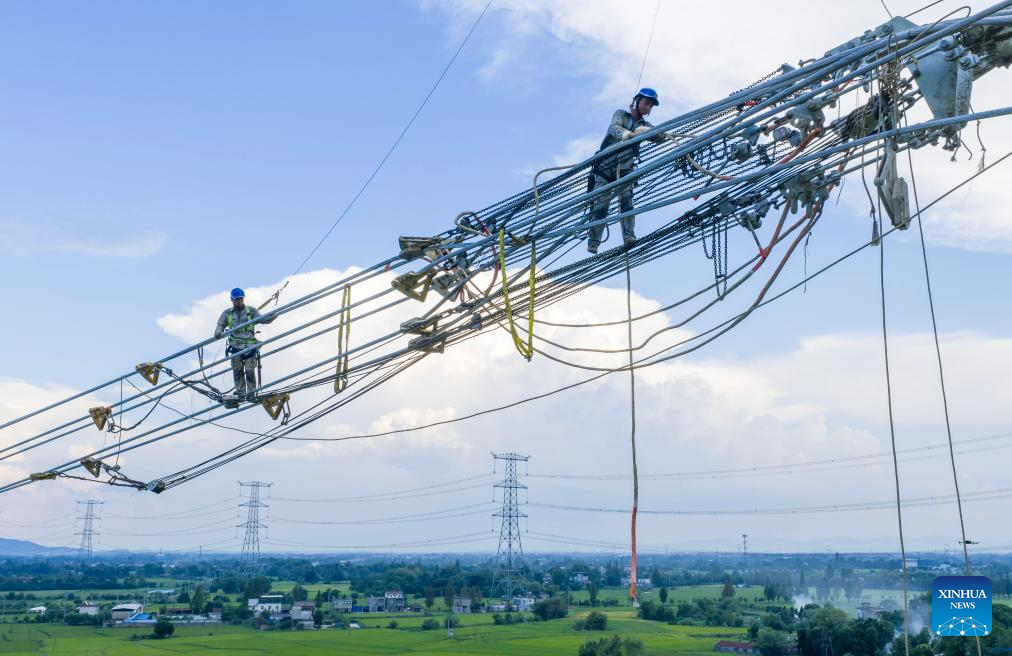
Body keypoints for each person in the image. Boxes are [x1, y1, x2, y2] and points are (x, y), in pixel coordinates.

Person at [586, 87, 664, 254]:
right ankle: (593, 241)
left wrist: (650, 133)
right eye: (647, 103)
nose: (648, 108)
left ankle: (629, 237)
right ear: (637, 101)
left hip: (626, 168)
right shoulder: (621, 114)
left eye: (651, 106)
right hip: (605, 167)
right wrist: (627, 134)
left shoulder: (644, 125)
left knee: (627, 202)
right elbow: (614, 128)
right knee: (600, 205)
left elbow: (660, 137)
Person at [213, 288, 276, 400]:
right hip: (235, 346)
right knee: (237, 370)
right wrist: (218, 332)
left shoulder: (251, 311)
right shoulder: (227, 313)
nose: (239, 301)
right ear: (232, 300)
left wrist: (275, 314)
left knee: (250, 370)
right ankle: (241, 392)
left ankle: (251, 394)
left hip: (250, 347)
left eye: (241, 299)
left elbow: (263, 319)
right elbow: (220, 325)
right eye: (237, 299)